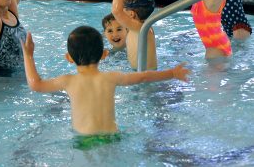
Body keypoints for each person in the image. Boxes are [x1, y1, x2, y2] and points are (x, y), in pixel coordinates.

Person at [21, 26, 190, 136]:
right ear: (104, 54)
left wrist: (28, 56)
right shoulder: (111, 77)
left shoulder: (68, 81)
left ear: (69, 58)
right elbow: (144, 76)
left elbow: (36, 84)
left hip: (85, 141)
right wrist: (172, 73)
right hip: (113, 137)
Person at [112, 0, 157, 69]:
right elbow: (125, 4)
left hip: (146, 81)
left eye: (123, 8)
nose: (121, 9)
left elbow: (116, 11)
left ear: (131, 14)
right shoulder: (138, 25)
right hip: (142, 76)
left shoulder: (141, 29)